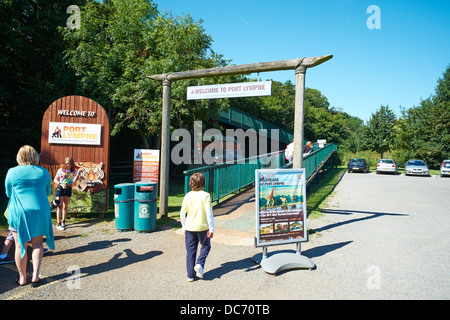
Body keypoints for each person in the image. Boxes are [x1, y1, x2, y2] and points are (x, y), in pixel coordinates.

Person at [5, 145, 55, 287]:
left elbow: (8, 194)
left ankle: (22, 278)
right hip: (39, 210)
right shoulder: (44, 172)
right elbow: (46, 191)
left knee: (20, 245)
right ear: (35, 157)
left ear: (19, 157)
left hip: (19, 211)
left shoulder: (12, 172)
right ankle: (35, 276)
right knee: (37, 244)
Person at [180, 172, 214, 282]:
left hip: (189, 227)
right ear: (203, 183)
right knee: (206, 247)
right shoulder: (206, 195)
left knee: (190, 251)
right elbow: (209, 213)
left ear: (191, 183)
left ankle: (190, 275)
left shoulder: (188, 195)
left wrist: (184, 225)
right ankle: (200, 263)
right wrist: (211, 228)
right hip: (202, 227)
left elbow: (182, 212)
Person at [53, 157, 78, 230]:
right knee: (59, 206)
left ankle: (63, 221)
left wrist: (78, 174)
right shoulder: (60, 170)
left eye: (69, 163)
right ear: (64, 163)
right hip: (61, 188)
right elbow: (55, 180)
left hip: (68, 188)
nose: (68, 165)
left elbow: (74, 180)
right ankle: (58, 223)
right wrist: (61, 184)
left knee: (65, 206)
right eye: (67, 163)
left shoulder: (73, 171)